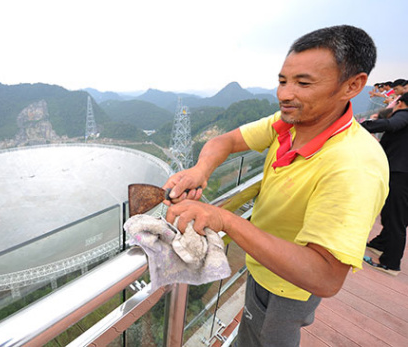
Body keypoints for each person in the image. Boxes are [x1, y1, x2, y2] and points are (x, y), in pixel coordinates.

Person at [162, 25, 389, 347]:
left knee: (269, 339)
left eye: (303, 83)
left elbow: (325, 277)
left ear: (353, 85)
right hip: (264, 263)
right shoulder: (292, 123)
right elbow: (225, 140)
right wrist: (200, 170)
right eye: (283, 81)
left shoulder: (354, 165)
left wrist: (225, 219)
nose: (284, 94)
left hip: (290, 286)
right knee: (250, 335)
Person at [362, 93, 408, 275]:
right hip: (401, 171)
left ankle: (390, 263)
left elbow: (391, 124)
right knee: (393, 212)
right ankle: (380, 244)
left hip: (400, 173)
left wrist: (363, 126)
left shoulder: (404, 114)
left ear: (401, 103)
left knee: (395, 216)